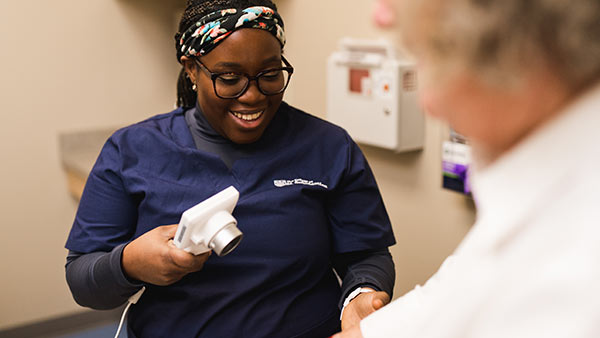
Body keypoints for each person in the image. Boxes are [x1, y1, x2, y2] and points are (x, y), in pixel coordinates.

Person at [64, 0, 397, 337]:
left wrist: (362, 294)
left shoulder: (328, 146)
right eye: (229, 78)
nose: (252, 96)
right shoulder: (132, 151)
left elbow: (367, 254)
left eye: (269, 75)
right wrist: (129, 264)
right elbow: (83, 280)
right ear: (192, 69)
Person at [333, 0, 600, 337]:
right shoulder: (526, 200)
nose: (382, 13)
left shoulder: (575, 274)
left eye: (430, 55)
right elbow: (452, 297)